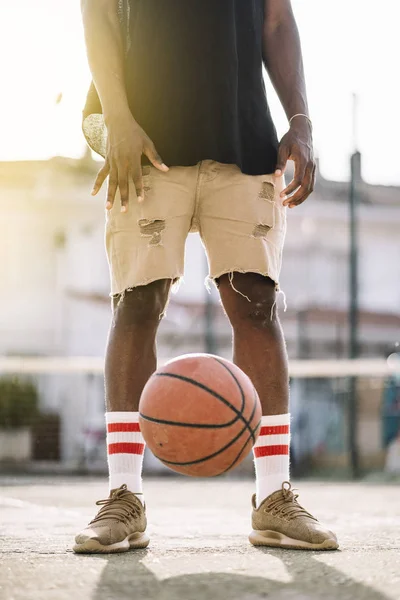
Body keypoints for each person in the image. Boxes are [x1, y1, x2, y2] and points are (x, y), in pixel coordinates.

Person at [74, 0, 338, 553]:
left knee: (257, 306)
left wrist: (301, 121)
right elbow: (96, 11)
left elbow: (276, 19)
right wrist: (117, 117)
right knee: (137, 303)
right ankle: (124, 496)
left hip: (243, 136)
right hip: (144, 137)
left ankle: (273, 497)